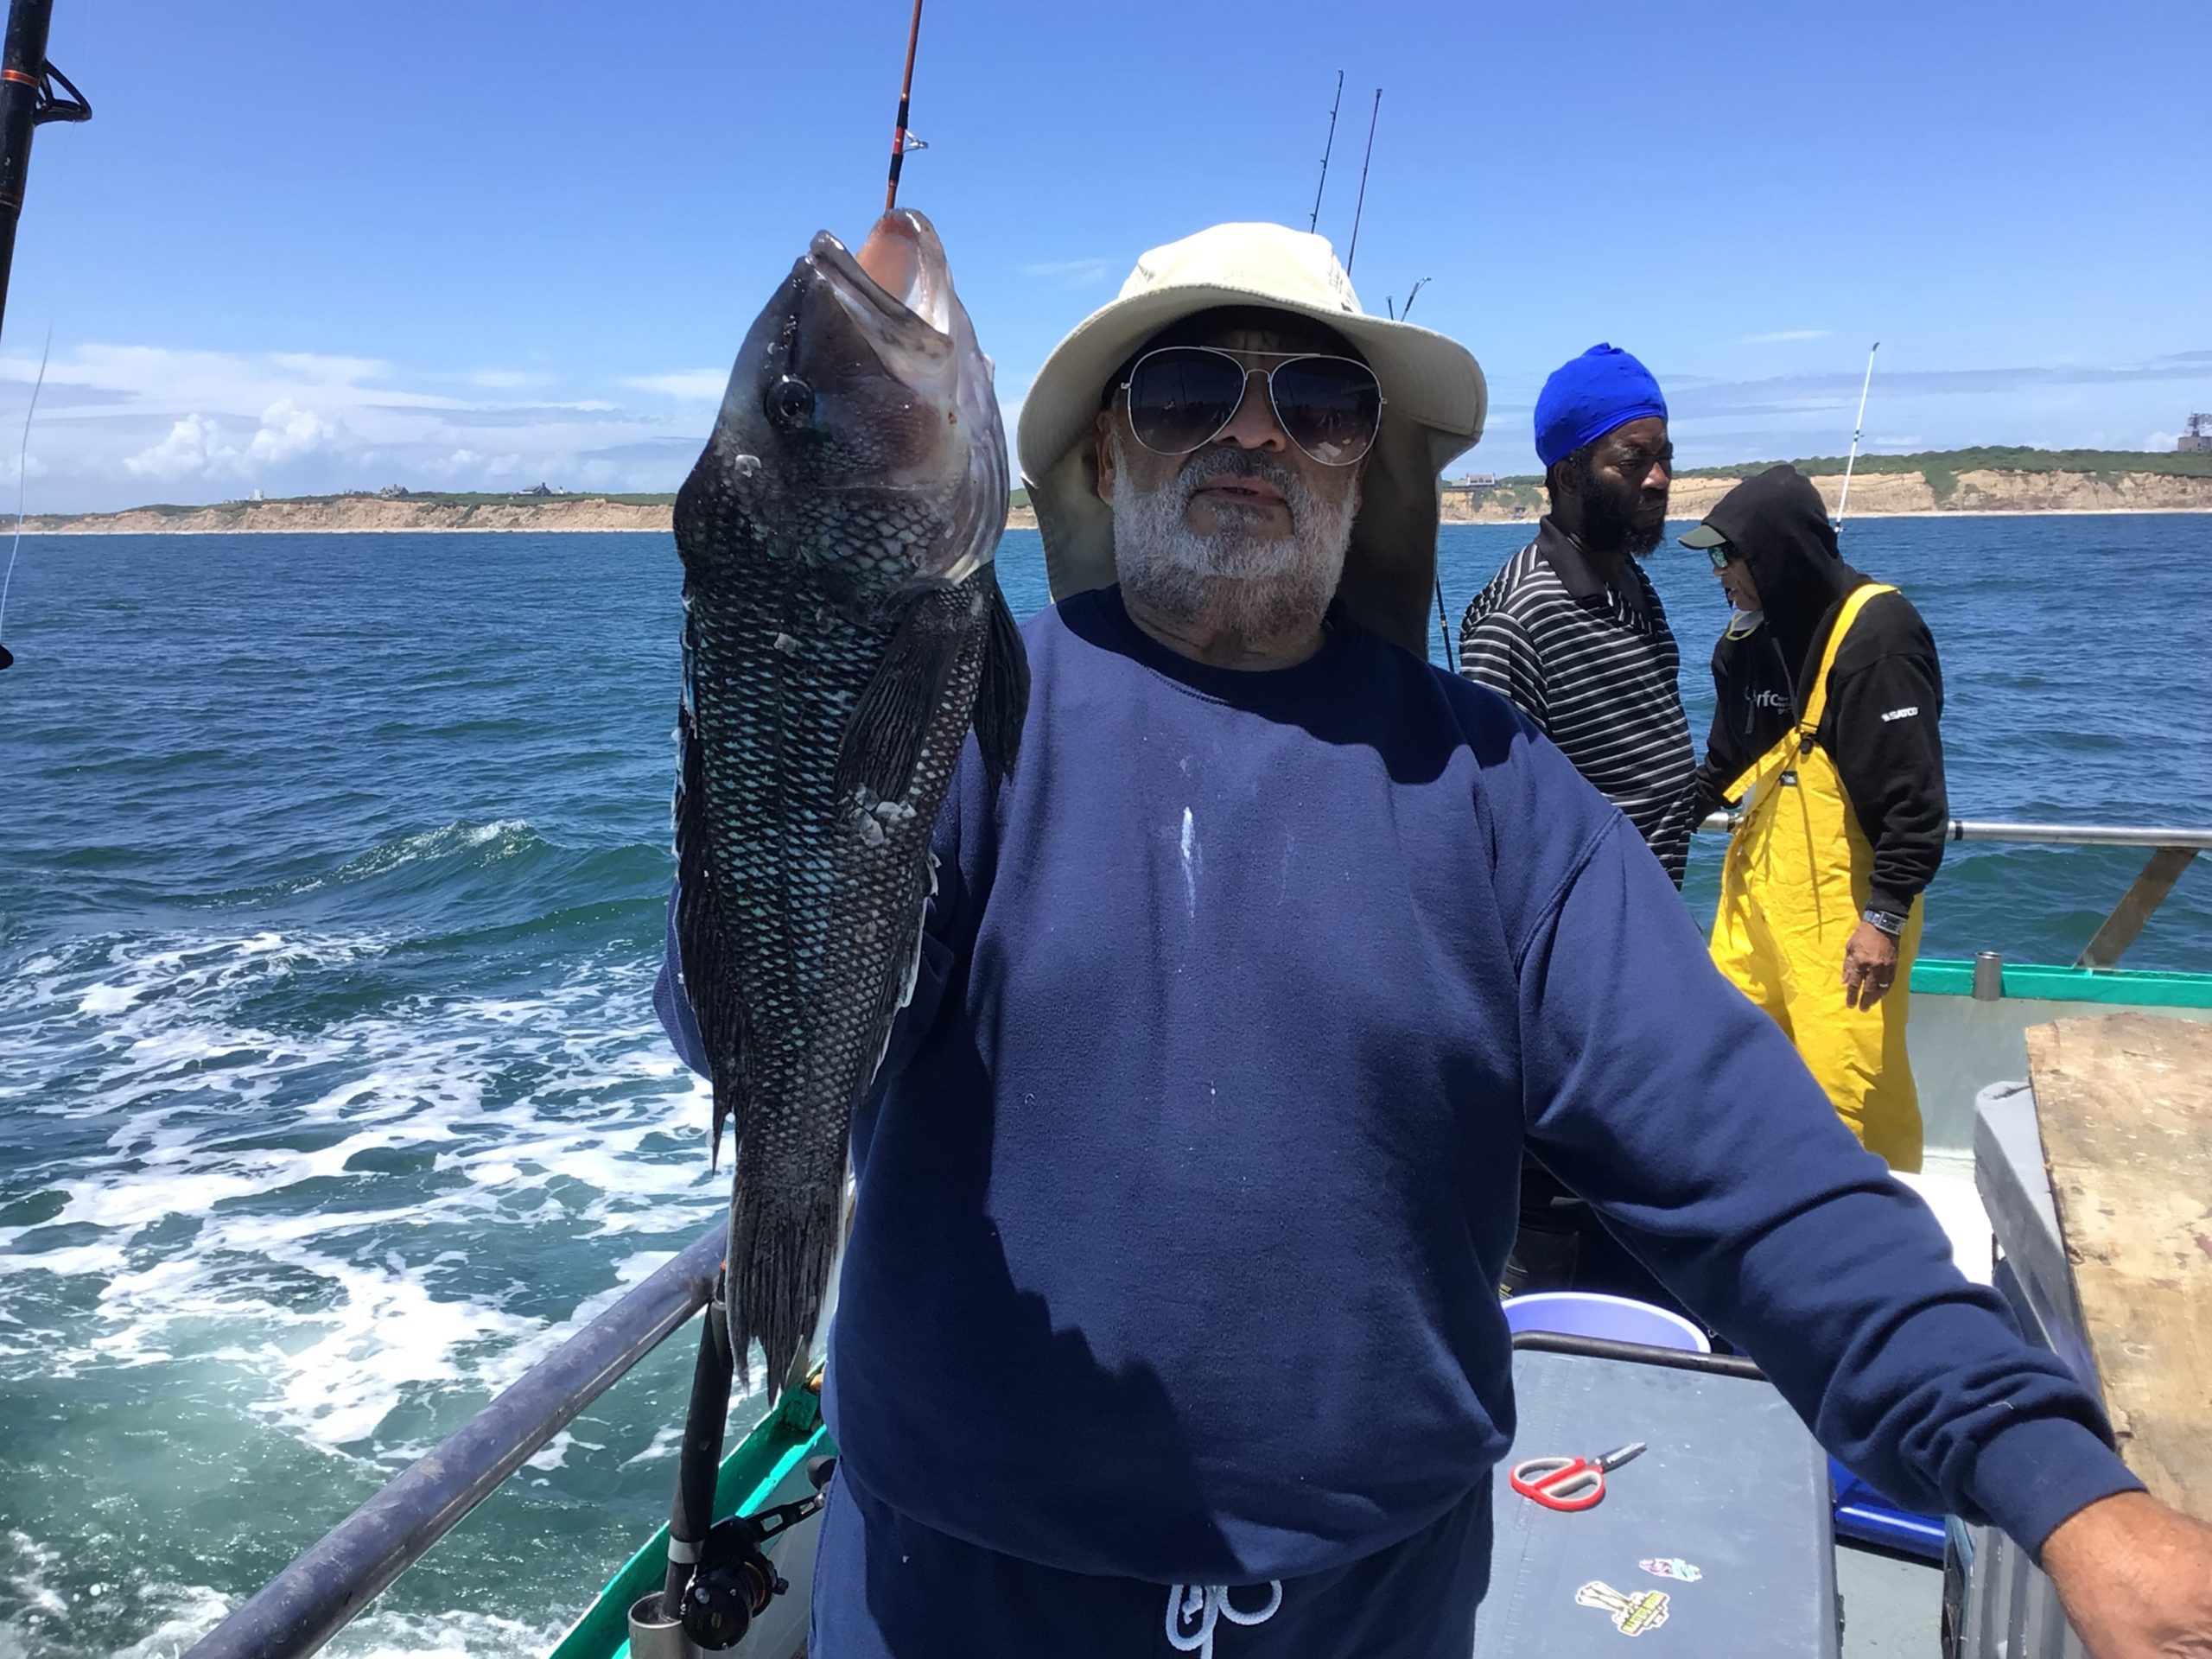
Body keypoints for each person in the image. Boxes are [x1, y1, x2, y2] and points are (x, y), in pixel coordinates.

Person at [658, 223, 2212, 1657]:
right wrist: (790, 671)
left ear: (1368, 469)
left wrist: (2062, 1485)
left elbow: (1751, 1163)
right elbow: (729, 1008)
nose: (1254, 433)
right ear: (1104, 449)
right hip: (950, 1595)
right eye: (1188, 389)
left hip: (1373, 1611)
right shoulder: (960, 730)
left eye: (1320, 402)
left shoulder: (1499, 792)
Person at [1684, 463, 1948, 1172]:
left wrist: (1883, 919)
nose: (1719, 573)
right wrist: (1652, 824)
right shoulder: (1747, 642)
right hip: (1757, 902)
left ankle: (1866, 1230)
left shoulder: (1878, 637)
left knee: (1845, 1098)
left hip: (1846, 920)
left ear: (1776, 552)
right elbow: (1725, 763)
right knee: (1734, 1065)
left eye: (1728, 555)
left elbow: (1915, 801)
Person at [1458, 344, 1694, 885]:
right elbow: (1497, 821)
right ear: (1568, 477)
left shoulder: (1629, 579)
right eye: (1633, 461)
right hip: (1590, 925)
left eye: (1665, 458)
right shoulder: (1516, 620)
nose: (1659, 479)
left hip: (1656, 909)